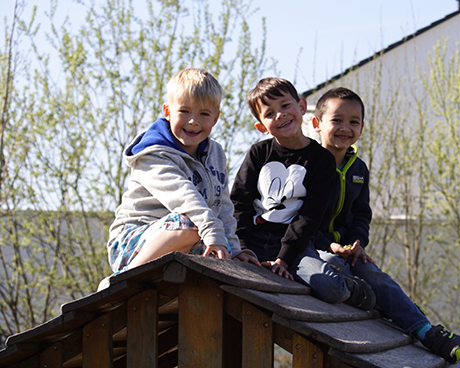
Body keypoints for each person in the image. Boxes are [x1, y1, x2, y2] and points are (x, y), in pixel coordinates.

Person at [311, 87, 460, 364]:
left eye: (354, 122)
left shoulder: (359, 169)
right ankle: (381, 301)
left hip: (346, 250)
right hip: (314, 248)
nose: (345, 128)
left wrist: (358, 243)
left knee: (376, 275)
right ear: (317, 124)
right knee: (332, 269)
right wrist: (329, 244)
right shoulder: (308, 165)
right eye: (337, 120)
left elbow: (362, 214)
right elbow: (300, 217)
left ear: (362, 127)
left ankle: (427, 332)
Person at [101, 68, 258, 289]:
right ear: (168, 111)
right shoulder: (153, 153)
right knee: (188, 223)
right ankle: (120, 283)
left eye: (204, 114)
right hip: (134, 242)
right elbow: (185, 197)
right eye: (184, 111)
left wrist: (233, 249)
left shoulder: (215, 153)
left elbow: (222, 205)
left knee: (220, 261)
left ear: (216, 118)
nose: (193, 121)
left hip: (191, 237)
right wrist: (213, 232)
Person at [230, 77, 376, 310]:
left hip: (295, 244)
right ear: (260, 126)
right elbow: (239, 202)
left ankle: (355, 289)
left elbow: (309, 216)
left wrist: (284, 259)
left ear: (301, 106)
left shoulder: (321, 160)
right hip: (254, 241)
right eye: (269, 114)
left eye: (285, 106)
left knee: (329, 287)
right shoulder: (258, 153)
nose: (280, 115)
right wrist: (243, 246)